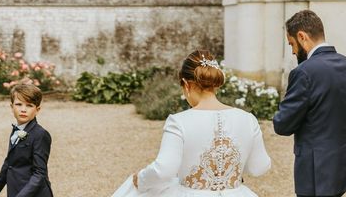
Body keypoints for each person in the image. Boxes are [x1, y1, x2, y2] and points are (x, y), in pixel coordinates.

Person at [111, 50, 271, 197]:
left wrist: (141, 178)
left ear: (186, 85)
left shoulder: (178, 121)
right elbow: (259, 167)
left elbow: (165, 169)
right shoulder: (248, 119)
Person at [273, 10, 346, 197]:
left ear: (302, 37)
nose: (292, 51)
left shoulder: (304, 72)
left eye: (292, 44)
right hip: (344, 162)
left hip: (316, 168)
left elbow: (283, 124)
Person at [0, 83, 54, 197]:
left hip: (34, 193)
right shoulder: (16, 130)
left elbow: (39, 174)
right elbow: (9, 163)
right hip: (15, 189)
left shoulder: (40, 134)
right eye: (19, 104)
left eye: (29, 105)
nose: (23, 109)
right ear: (12, 107)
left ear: (37, 110)